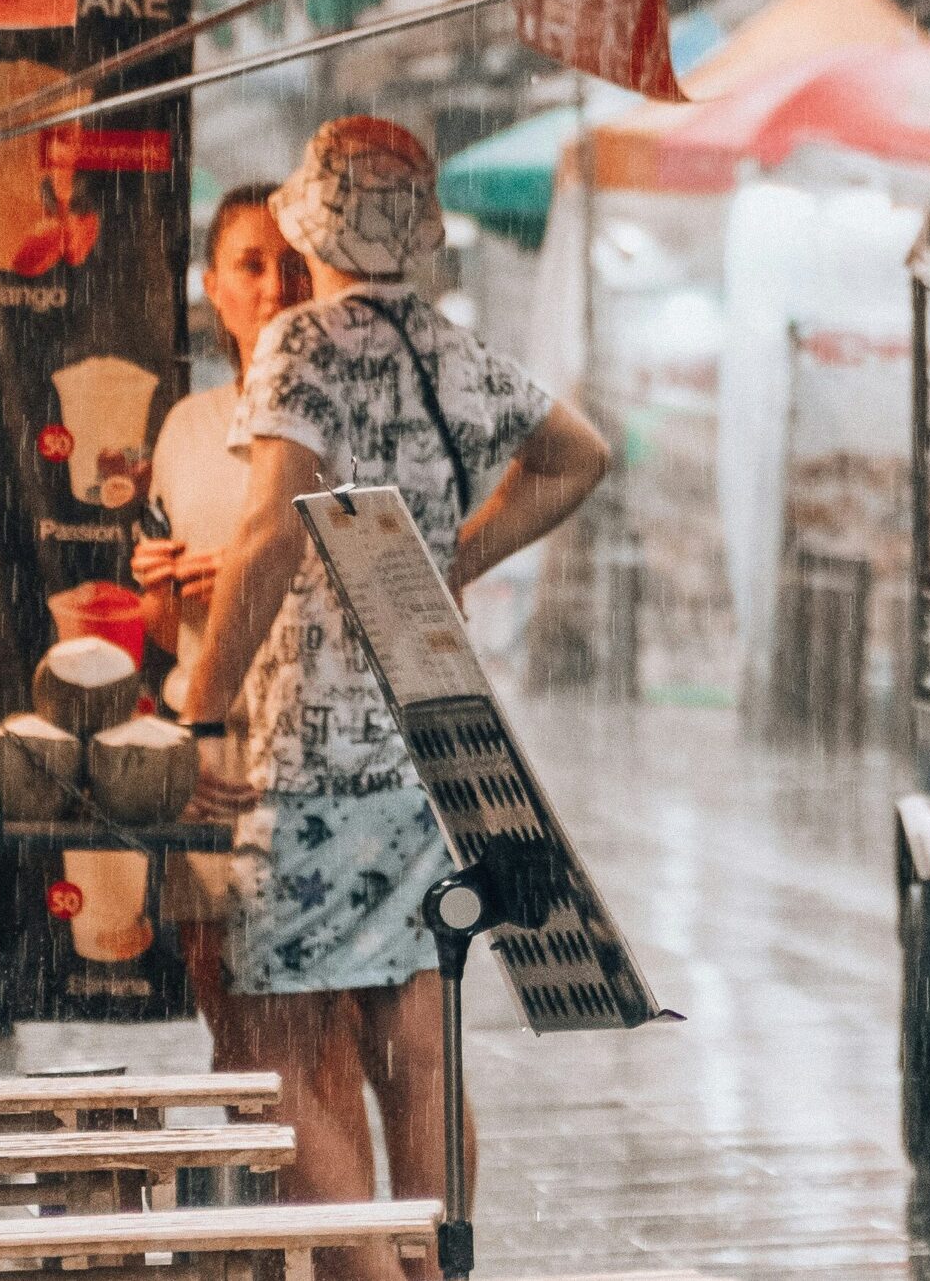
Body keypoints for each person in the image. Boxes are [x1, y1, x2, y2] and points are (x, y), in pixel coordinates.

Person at [182, 118, 612, 1281]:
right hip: (431, 735)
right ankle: (430, 1263)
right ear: (416, 232)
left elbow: (272, 528)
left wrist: (205, 702)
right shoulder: (454, 350)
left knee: (270, 1051)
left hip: (314, 748)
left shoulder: (299, 344)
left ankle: (370, 1273)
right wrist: (455, 559)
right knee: (421, 1046)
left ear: (304, 226)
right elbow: (577, 455)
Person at [131, 184, 311, 1069]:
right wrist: (164, 589)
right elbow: (166, 632)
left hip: (301, 748)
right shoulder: (185, 424)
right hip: (205, 752)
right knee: (227, 1012)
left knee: (319, 1033)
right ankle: (256, 1189)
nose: (275, 284)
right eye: (251, 264)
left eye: (293, 262)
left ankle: (317, 1201)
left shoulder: (332, 417)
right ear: (213, 287)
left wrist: (254, 580)